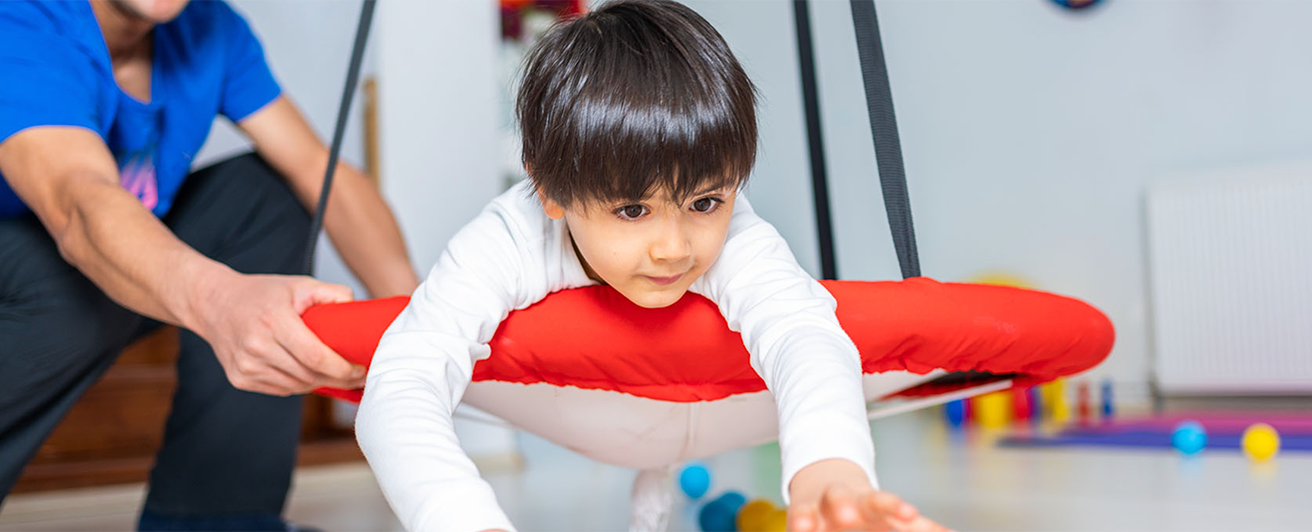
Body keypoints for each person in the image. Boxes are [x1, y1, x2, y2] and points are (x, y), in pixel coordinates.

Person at [355, 2, 952, 531]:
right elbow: (403, 385)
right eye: (632, 209)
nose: (674, 248)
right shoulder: (508, 237)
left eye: (705, 202)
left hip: (707, 410)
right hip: (578, 413)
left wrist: (831, 470)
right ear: (548, 189)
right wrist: (462, 518)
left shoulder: (739, 234)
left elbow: (805, 336)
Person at [0, 0, 419, 530]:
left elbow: (318, 169)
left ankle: (217, 519)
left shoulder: (210, 29)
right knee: (75, 265)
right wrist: (223, 303)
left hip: (88, 274)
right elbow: (78, 204)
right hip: (29, 277)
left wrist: (423, 318)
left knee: (265, 198)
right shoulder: (21, 21)